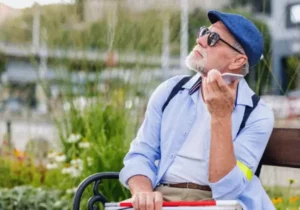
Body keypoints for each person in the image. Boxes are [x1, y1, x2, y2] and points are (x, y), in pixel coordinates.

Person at [119, 10, 275, 210]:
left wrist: (221, 116)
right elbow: (140, 154)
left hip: (219, 203)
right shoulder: (170, 91)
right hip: (161, 198)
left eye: (213, 38)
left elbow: (227, 189)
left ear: (238, 61)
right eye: (204, 32)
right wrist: (142, 192)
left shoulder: (257, 114)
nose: (200, 40)